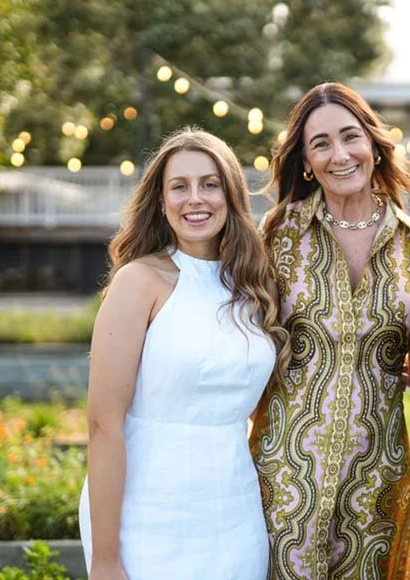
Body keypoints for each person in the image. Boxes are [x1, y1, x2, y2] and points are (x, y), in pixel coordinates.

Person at [250, 82, 410, 579]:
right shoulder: (276, 235)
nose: (339, 154)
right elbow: (240, 342)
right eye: (321, 144)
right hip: (282, 474)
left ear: (374, 145)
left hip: (376, 480)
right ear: (305, 161)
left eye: (349, 136)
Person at [78, 127, 289, 579]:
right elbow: (102, 425)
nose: (196, 198)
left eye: (209, 184)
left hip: (234, 512)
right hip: (148, 513)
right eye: (180, 186)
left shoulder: (252, 286)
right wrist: (106, 558)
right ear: (161, 201)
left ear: (230, 196)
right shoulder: (140, 281)